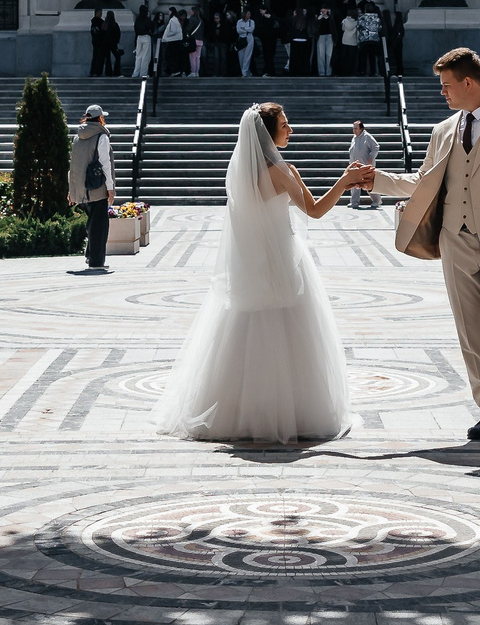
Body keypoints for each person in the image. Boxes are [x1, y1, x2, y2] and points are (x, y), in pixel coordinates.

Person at [367, 48, 480, 452]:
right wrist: (376, 181)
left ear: (468, 82)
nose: (443, 93)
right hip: (456, 241)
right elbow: (423, 182)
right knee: (470, 331)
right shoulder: (443, 131)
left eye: (447, 86)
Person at [154, 102, 364, 443]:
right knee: (292, 338)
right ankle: (290, 412)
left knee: (243, 335)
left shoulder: (242, 174)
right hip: (284, 263)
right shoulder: (283, 171)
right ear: (268, 133)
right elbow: (314, 210)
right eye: (284, 124)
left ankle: (238, 412)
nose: (290, 129)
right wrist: (346, 180)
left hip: (251, 268)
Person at [70, 104, 116, 272]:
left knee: (92, 224)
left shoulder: (77, 138)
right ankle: (96, 261)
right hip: (98, 188)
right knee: (99, 226)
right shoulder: (101, 137)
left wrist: (72, 190)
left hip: (82, 188)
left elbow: (73, 166)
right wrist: (110, 188)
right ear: (100, 119)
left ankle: (91, 255)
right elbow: (105, 165)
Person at [347, 118, 379, 211]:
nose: (354, 130)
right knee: (354, 184)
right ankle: (354, 202)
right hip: (355, 165)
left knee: (368, 183)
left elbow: (376, 146)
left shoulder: (367, 136)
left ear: (361, 128)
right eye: (353, 128)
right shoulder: (354, 137)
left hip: (365, 165)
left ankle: (377, 201)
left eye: (356, 128)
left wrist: (371, 157)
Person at [159, 6, 185, 78]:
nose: (168, 12)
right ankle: (175, 70)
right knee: (173, 57)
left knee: (170, 57)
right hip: (176, 40)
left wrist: (167, 35)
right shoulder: (176, 20)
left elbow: (174, 31)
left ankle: (174, 71)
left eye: (169, 11)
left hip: (172, 41)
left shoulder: (173, 20)